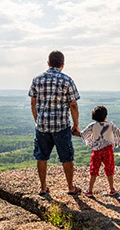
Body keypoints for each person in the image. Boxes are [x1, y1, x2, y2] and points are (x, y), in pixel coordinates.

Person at [28, 50, 81, 196]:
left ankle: (43, 187)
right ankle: (70, 187)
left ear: (48, 63)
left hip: (42, 125)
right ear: (62, 65)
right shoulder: (67, 80)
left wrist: (37, 120)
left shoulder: (37, 79)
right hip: (61, 125)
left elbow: (33, 103)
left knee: (41, 156)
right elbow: (73, 105)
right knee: (66, 156)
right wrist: (75, 124)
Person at [72, 106, 120, 197]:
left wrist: (74, 132)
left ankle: (90, 190)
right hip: (108, 150)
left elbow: (82, 134)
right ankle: (112, 189)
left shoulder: (92, 125)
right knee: (109, 169)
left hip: (96, 151)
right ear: (106, 116)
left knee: (94, 169)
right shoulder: (110, 125)